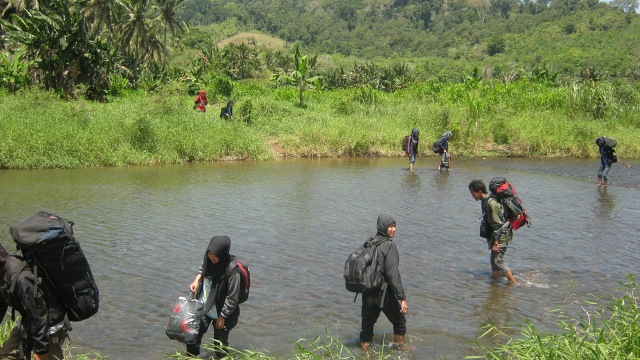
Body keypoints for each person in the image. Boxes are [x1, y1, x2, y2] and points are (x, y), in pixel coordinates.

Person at [0, 244, 69, 360]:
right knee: (5, 356)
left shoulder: (21, 277)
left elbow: (39, 315)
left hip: (50, 326)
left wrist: (41, 351)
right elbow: (1, 304)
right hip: (29, 322)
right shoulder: (2, 273)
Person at [360, 214, 408, 351]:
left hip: (368, 291)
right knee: (399, 322)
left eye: (394, 226)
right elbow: (393, 274)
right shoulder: (389, 246)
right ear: (383, 227)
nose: (394, 229)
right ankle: (400, 353)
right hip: (383, 292)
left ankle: (365, 354)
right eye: (390, 226)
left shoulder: (370, 243)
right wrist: (402, 297)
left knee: (367, 327)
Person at [187, 236, 240, 358]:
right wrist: (196, 281)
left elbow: (232, 297)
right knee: (192, 338)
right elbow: (202, 269)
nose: (212, 257)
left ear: (222, 253)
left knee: (219, 347)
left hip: (223, 311)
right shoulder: (208, 260)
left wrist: (222, 316)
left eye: (215, 255)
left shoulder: (232, 270)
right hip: (205, 307)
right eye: (210, 253)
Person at [468, 180, 520, 286]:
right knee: (493, 260)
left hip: (502, 235)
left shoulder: (492, 204)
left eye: (473, 194)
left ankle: (515, 284)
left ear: (479, 191)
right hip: (496, 235)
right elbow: (488, 221)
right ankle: (494, 282)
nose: (472, 196)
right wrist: (489, 239)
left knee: (497, 260)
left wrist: (496, 242)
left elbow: (497, 225)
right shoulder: (484, 201)